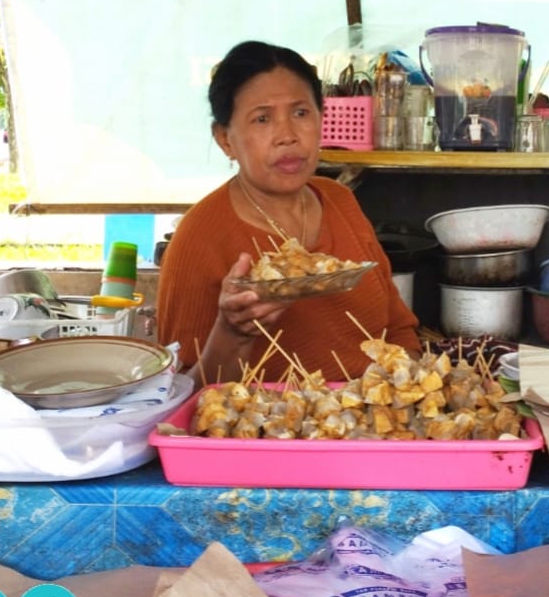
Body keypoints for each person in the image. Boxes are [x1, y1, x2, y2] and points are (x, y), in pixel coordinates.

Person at [157, 40, 419, 386]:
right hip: (276, 433)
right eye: (262, 119)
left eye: (300, 113)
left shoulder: (340, 200)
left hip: (376, 427)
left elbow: (400, 330)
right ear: (225, 139)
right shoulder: (200, 236)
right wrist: (233, 331)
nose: (287, 136)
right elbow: (180, 395)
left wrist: (410, 389)